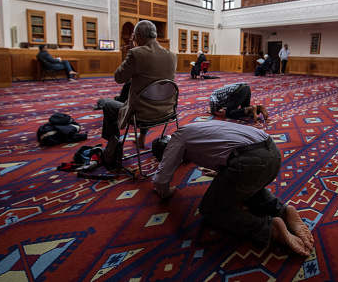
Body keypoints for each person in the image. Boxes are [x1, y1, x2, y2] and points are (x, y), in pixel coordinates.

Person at [151, 120, 314, 256]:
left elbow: (160, 180)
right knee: (243, 185)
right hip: (273, 154)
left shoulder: (177, 140)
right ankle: (282, 210)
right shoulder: (195, 126)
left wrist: (168, 192)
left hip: (249, 163)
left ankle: (270, 228)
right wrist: (222, 171)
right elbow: (225, 142)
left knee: (210, 209)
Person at [101, 20, 177, 153]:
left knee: (108, 105)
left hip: (142, 114)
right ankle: (142, 137)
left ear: (139, 36)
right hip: (167, 111)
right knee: (148, 92)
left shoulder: (136, 53)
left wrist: (130, 52)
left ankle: (113, 147)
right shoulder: (172, 56)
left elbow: (119, 78)